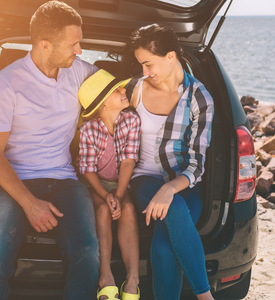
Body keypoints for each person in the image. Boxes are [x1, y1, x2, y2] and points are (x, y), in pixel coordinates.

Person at [0, 1, 100, 299]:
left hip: (65, 181)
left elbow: (120, 89)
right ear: (44, 45)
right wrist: (30, 203)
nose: (79, 50)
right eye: (73, 44)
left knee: (88, 254)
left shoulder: (78, 72)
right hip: (15, 183)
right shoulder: (6, 85)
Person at [125, 24, 215, 300]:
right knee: (173, 209)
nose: (144, 71)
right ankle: (206, 297)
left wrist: (169, 188)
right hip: (144, 179)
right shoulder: (134, 90)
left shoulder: (200, 98)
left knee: (164, 245)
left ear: (171, 56)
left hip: (185, 183)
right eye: (141, 64)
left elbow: (197, 163)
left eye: (148, 63)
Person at [78, 69, 141, 300]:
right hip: (96, 184)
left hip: (122, 182)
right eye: (117, 90)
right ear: (103, 105)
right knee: (103, 210)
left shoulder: (131, 120)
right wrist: (107, 195)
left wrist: (120, 195)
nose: (124, 90)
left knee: (129, 210)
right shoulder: (88, 129)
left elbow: (128, 161)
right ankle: (106, 275)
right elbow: (87, 170)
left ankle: (133, 278)